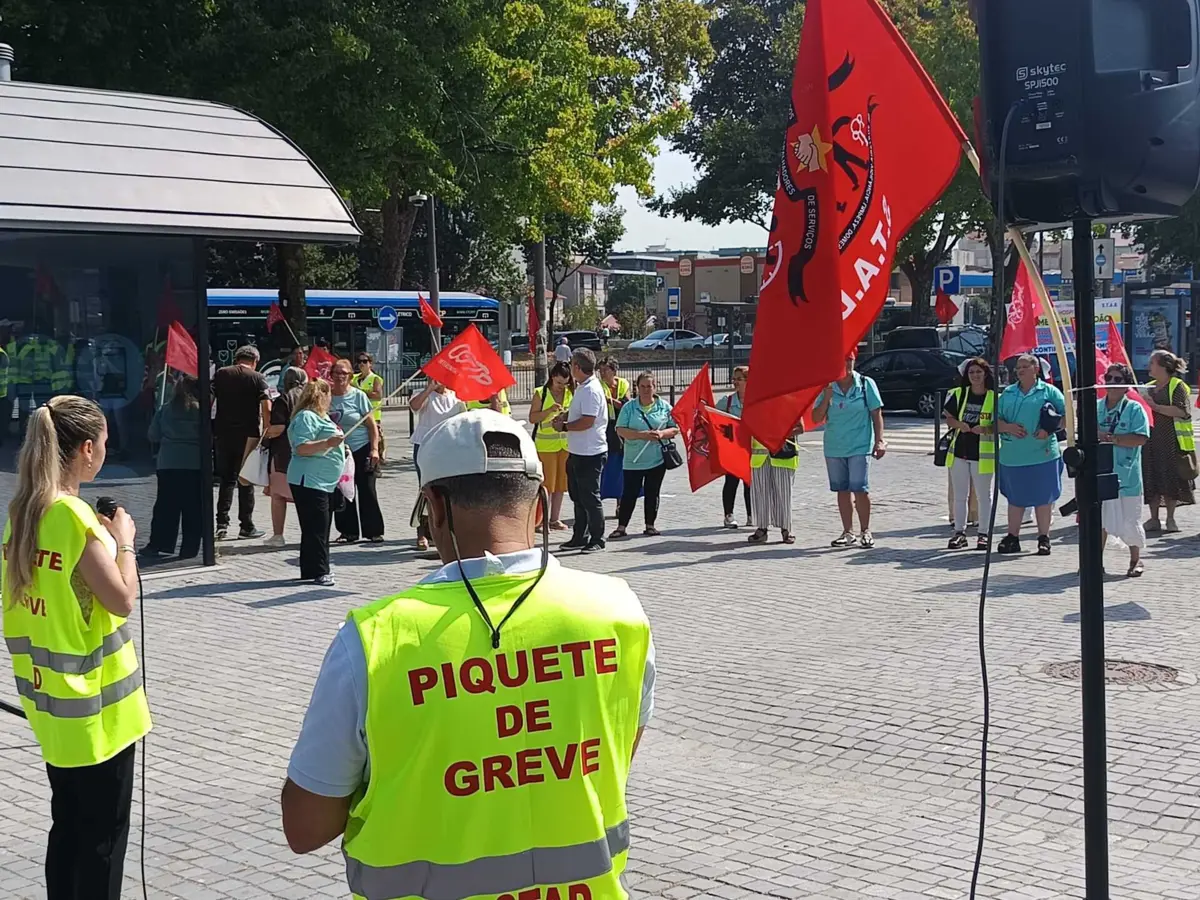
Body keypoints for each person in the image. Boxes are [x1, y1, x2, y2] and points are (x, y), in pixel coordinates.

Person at [281, 411, 655, 900]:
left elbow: (305, 827)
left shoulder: (373, 638)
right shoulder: (619, 612)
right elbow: (613, 756)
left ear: (433, 506)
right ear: (540, 507)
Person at [2, 396, 151, 900]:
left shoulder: (23, 512)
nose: (105, 452)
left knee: (66, 830)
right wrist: (125, 541)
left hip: (52, 706)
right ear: (87, 449)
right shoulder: (73, 517)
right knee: (102, 844)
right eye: (104, 444)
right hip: (100, 711)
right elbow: (122, 598)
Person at [996, 353, 1067, 555]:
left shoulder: (1049, 391)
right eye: (1017, 367)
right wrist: (1008, 427)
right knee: (1015, 498)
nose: (1019, 371)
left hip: (1043, 454)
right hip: (1013, 456)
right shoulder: (1008, 394)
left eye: (1024, 367)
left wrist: (1049, 429)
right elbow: (994, 422)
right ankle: (1013, 537)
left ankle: (1043, 537)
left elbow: (1067, 416)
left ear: (1036, 369)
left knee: (1043, 498)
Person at [813, 354, 886, 549]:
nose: (845, 364)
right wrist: (827, 396)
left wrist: (879, 441)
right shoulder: (828, 386)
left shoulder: (865, 383)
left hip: (860, 445)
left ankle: (865, 530)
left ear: (854, 361)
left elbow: (876, 413)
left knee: (860, 488)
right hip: (835, 446)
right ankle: (848, 532)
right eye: (841, 360)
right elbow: (816, 417)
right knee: (842, 489)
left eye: (849, 359)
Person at [287, 380, 346, 586]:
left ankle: (310, 569)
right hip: (310, 480)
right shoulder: (306, 417)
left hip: (322, 480)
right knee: (317, 528)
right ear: (321, 396)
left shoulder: (321, 417)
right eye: (328, 395)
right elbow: (301, 447)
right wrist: (328, 443)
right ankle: (321, 571)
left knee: (315, 527)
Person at [611, 371, 679, 538]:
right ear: (637, 387)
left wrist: (662, 434)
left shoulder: (664, 407)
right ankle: (622, 526)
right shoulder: (629, 407)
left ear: (655, 387)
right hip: (633, 459)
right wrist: (642, 435)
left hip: (656, 460)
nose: (646, 390)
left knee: (652, 492)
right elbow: (620, 429)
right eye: (642, 386)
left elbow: (676, 428)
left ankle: (650, 525)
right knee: (629, 493)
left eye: (649, 386)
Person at [212, 345, 270, 541]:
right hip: (248, 435)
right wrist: (267, 432)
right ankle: (246, 525)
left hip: (223, 433)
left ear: (237, 358)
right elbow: (266, 406)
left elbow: (209, 399)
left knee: (226, 479)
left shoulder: (222, 374)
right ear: (254, 361)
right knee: (246, 479)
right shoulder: (257, 377)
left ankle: (221, 523)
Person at [142, 375, 202, 561]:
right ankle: (189, 549)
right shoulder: (200, 411)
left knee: (166, 507)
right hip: (194, 463)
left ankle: (160, 543)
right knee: (193, 508)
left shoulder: (165, 409)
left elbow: (153, 434)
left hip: (168, 462)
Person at [1099, 363, 1151, 577]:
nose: (1111, 383)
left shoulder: (1134, 408)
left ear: (1126, 384)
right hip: (1101, 472)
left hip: (1127, 474)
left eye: (1117, 379)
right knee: (1100, 520)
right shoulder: (1095, 407)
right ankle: (1094, 561)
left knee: (1131, 519)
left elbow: (1141, 438)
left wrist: (1114, 438)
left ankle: (1136, 560)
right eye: (1108, 378)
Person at [944, 357, 997, 551]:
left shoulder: (993, 397)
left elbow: (1000, 423)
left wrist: (986, 429)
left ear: (985, 374)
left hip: (983, 453)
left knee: (984, 496)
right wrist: (960, 425)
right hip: (959, 450)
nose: (975, 376)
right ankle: (959, 532)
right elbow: (949, 418)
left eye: (979, 372)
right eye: (971, 372)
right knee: (960, 495)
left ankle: (984, 533)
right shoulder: (959, 394)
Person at [328, 359, 384, 544]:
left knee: (367, 489)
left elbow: (371, 425)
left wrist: (374, 449)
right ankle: (347, 531)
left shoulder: (359, 396)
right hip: (339, 452)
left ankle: (373, 531)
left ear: (350, 375)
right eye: (337, 372)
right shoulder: (326, 397)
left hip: (361, 448)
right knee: (343, 490)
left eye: (344, 373)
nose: (340, 376)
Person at [1141, 349, 1194, 533]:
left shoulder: (1176, 385)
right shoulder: (1148, 387)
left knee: (1170, 478)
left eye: (1152, 363)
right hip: (1150, 441)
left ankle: (1170, 519)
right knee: (1151, 477)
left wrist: (1155, 407)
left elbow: (1182, 411)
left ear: (1163, 366)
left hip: (1171, 441)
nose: (1149, 367)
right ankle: (1153, 518)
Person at [409, 379, 466, 551]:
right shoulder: (424, 393)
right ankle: (422, 532)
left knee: (447, 488)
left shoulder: (456, 397)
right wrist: (429, 389)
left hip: (447, 445)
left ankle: (443, 530)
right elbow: (414, 406)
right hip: (425, 445)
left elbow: (462, 420)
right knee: (426, 488)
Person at [561, 348, 609, 552]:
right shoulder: (583, 386)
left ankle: (597, 539)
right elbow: (580, 415)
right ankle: (580, 535)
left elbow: (588, 421)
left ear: (578, 367)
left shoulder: (590, 390)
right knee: (577, 496)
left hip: (591, 452)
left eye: (572, 364)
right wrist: (566, 416)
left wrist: (564, 426)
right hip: (578, 450)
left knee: (590, 497)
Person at [264, 367, 307, 548]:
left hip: (283, 454)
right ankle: (308, 532)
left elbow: (278, 428)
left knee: (278, 496)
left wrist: (266, 433)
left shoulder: (284, 399)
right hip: (306, 453)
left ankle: (278, 535)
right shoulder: (309, 399)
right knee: (305, 497)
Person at [528, 361, 573, 530]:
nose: (561, 386)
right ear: (553, 377)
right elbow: (532, 418)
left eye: (565, 383)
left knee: (561, 484)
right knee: (546, 485)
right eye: (559, 382)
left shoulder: (570, 393)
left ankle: (554, 519)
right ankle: (541, 521)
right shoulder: (542, 393)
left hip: (565, 444)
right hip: (545, 445)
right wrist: (549, 411)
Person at [598, 356, 632, 513]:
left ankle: (620, 504)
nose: (602, 373)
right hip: (605, 427)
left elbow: (627, 405)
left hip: (621, 427)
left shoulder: (623, 384)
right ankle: (599, 501)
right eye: (600, 370)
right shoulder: (598, 385)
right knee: (605, 466)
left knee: (621, 466)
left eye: (605, 370)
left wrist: (610, 400)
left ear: (614, 371)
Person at [720, 366, 752, 528]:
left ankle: (751, 514)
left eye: (739, 379)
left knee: (750, 483)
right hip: (732, 449)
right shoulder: (727, 401)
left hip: (752, 449)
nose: (735, 382)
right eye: (734, 379)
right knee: (731, 482)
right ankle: (729, 515)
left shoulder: (755, 400)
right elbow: (714, 420)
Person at [351, 352, 386, 461]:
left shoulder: (375, 378)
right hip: (358, 413)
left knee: (375, 438)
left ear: (370, 364)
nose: (362, 364)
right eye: (359, 361)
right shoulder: (354, 378)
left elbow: (378, 395)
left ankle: (378, 460)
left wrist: (360, 392)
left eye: (365, 361)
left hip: (373, 414)